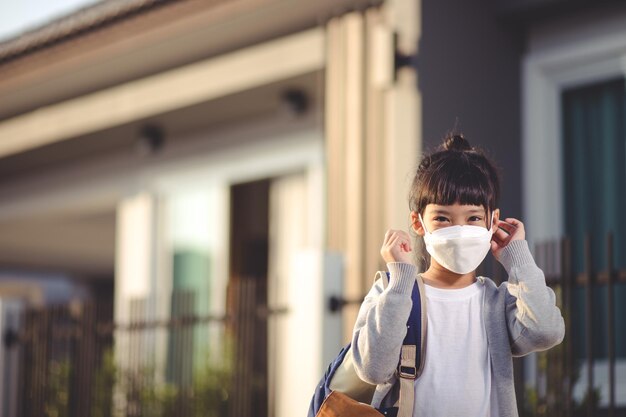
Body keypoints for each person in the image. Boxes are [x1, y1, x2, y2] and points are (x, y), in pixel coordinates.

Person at [350, 133, 565, 417]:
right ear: (417, 221)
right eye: (442, 218)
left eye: (473, 217)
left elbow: (546, 332)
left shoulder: (498, 302)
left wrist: (518, 259)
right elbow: (373, 368)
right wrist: (400, 280)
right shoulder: (392, 291)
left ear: (493, 220)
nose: (459, 229)